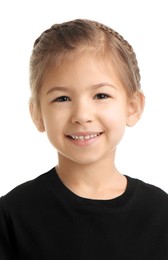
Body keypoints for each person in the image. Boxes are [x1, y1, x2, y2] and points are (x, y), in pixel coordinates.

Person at [0, 19, 168, 260]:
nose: (81, 116)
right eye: (62, 98)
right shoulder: (13, 215)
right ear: (37, 113)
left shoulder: (160, 212)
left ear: (132, 107)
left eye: (101, 95)